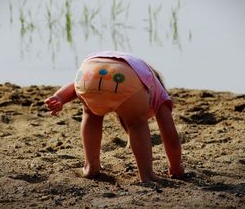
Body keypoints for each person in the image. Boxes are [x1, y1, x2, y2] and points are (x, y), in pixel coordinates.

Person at [44, 51, 184, 182]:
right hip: (126, 75)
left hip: (89, 68)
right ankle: (146, 174)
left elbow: (76, 85)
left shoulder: (137, 67)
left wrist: (60, 97)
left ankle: (91, 166)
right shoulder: (155, 87)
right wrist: (176, 167)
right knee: (136, 123)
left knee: (91, 113)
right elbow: (170, 137)